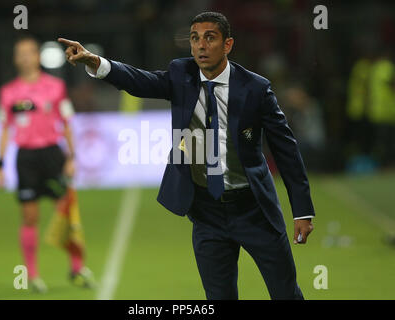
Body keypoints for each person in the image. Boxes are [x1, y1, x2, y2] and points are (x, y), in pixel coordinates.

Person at [59, 11, 315, 300]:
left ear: (227, 45)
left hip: (253, 208)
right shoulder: (182, 75)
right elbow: (139, 81)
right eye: (195, 39)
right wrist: (95, 61)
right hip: (206, 212)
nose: (201, 46)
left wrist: (302, 210)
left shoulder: (255, 88)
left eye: (210, 38)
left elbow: (286, 150)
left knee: (285, 293)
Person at [0, 35, 95, 292]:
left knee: (66, 215)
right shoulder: (8, 92)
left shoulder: (55, 87)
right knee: (30, 217)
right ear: (16, 59)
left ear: (37, 56)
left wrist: (72, 158)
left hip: (53, 155)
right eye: (20, 53)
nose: (25, 57)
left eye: (29, 52)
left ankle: (76, 267)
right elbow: (5, 129)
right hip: (26, 158)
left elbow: (67, 124)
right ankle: (33, 275)